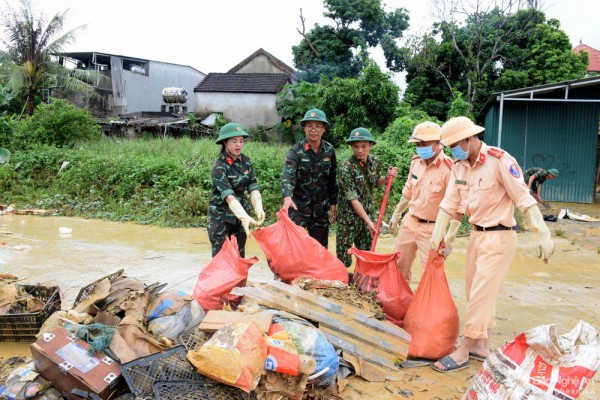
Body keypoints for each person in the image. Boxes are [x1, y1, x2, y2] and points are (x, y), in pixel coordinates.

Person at [429, 116, 554, 373]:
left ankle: (464, 349)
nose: (453, 151)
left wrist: (542, 231)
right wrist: (440, 236)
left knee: (479, 296)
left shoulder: (499, 160)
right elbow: (449, 204)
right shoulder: (459, 166)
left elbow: (523, 198)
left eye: (454, 145)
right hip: (476, 236)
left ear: (468, 139)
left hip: (500, 237)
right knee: (474, 291)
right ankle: (481, 345)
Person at [389, 122, 457, 282]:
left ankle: (426, 306)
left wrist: (449, 240)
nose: (420, 147)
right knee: (399, 265)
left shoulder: (449, 169)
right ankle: (401, 302)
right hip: (410, 222)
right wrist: (396, 214)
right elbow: (408, 191)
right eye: (417, 144)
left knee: (430, 271)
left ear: (438, 143)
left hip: (432, 228)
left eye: (424, 144)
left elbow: (455, 205)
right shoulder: (416, 162)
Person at [336, 127, 398, 268]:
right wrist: (370, 222)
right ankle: (343, 283)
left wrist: (386, 177)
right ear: (351, 146)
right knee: (343, 257)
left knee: (366, 254)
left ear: (370, 145)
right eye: (356, 146)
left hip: (367, 214)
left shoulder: (375, 162)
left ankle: (363, 282)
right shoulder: (346, 168)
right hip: (349, 218)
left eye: (363, 146)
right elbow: (353, 199)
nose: (359, 150)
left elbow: (376, 183)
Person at [281, 109, 338, 248]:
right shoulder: (295, 151)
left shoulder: (329, 151)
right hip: (298, 208)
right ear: (304, 128)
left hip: (320, 210)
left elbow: (332, 179)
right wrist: (287, 197)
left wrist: (333, 203)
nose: (313, 130)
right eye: (310, 126)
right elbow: (288, 176)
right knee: (294, 248)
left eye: (318, 126)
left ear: (324, 129)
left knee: (319, 250)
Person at [208, 122, 265, 257]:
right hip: (220, 218)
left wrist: (258, 206)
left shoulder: (246, 161)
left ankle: (240, 279)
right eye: (234, 141)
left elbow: (253, 187)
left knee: (239, 257)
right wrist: (243, 216)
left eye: (241, 141)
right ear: (225, 143)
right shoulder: (219, 166)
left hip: (239, 219)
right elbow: (228, 196)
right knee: (222, 259)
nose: (238, 145)